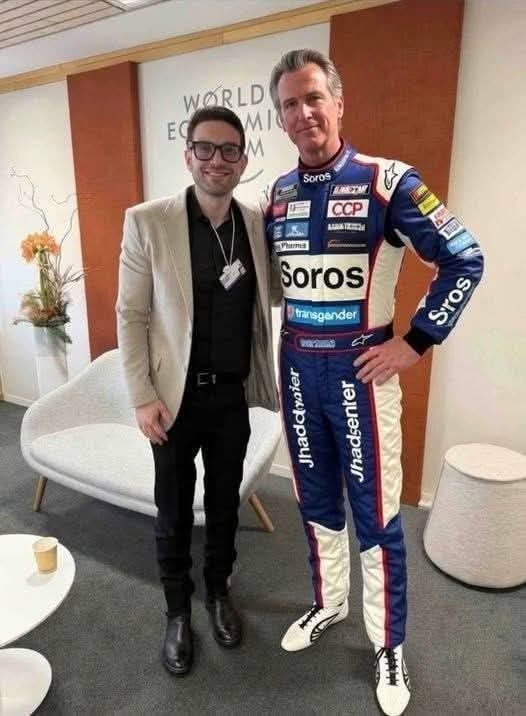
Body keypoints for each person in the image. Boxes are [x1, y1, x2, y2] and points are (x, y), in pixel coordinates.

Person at [264, 49, 484, 716]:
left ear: (338, 102)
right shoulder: (276, 196)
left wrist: (414, 343)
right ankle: (328, 602)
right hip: (299, 372)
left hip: (362, 375)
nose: (303, 113)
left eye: (313, 98)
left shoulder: (389, 181)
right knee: (313, 500)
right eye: (290, 104)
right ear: (280, 118)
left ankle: (389, 643)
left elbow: (464, 258)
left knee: (377, 513)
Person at [116, 106, 279, 676]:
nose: (217, 160)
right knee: (174, 508)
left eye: (229, 150)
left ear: (243, 160)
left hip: (231, 396)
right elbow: (131, 314)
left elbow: (277, 292)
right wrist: (142, 395)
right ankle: (177, 610)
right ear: (188, 155)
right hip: (172, 400)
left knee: (226, 502)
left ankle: (218, 591)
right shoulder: (148, 221)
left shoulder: (255, 223)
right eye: (205, 148)